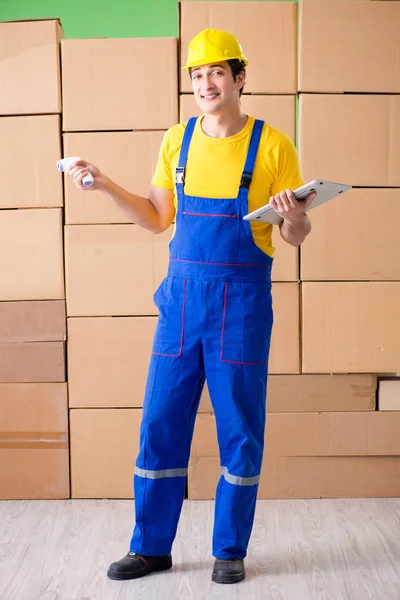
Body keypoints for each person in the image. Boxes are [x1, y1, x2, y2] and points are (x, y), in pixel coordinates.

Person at [67, 28, 315, 585]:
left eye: (217, 73)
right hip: (181, 304)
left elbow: (296, 233)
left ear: (239, 78)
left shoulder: (273, 146)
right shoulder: (176, 140)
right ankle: (151, 547)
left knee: (239, 429)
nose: (206, 83)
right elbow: (158, 217)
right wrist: (105, 183)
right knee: (160, 422)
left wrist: (293, 216)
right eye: (197, 75)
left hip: (242, 306)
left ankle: (229, 549)